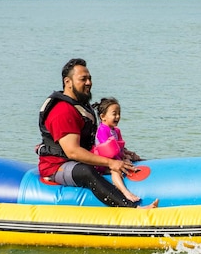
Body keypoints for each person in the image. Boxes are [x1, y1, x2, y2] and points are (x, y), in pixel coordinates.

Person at [37, 58, 157, 208]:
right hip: (56, 166)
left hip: (79, 160)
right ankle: (133, 209)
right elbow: (72, 152)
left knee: (126, 163)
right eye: (83, 79)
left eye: (89, 78)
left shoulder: (81, 106)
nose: (88, 83)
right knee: (86, 172)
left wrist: (123, 154)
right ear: (68, 82)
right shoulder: (62, 111)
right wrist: (111, 163)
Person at [92, 97, 145, 203]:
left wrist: (127, 154)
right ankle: (126, 193)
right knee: (115, 171)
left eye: (119, 113)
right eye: (114, 114)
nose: (118, 117)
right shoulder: (102, 130)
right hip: (103, 163)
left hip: (115, 159)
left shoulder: (115, 131)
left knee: (135, 158)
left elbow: (119, 147)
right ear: (103, 117)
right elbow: (108, 152)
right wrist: (122, 161)